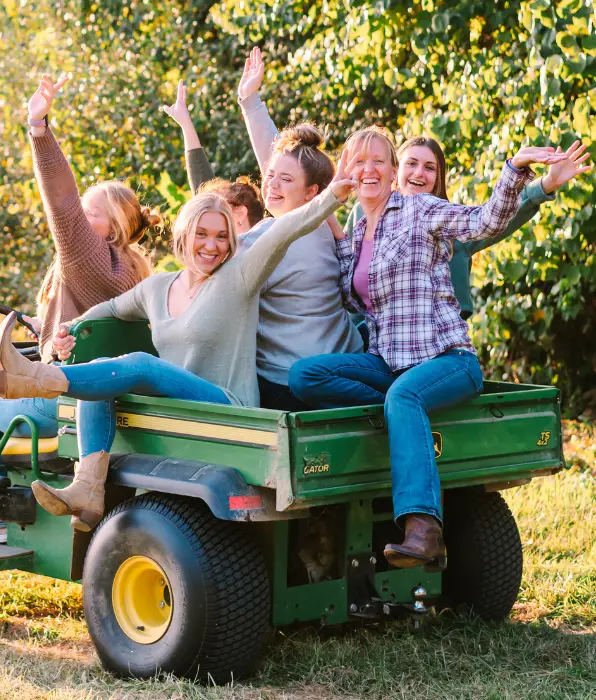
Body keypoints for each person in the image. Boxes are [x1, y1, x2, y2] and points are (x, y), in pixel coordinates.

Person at [0, 148, 361, 531]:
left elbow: (286, 229)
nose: (211, 246)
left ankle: (37, 379)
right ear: (184, 234)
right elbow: (110, 309)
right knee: (99, 376)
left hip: (225, 405)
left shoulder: (240, 276)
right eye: (202, 234)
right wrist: (67, 332)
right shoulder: (158, 288)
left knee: (142, 364)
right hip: (177, 407)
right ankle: (87, 488)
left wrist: (333, 196)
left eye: (221, 237)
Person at [289, 126, 571, 569]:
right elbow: (349, 298)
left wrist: (515, 169)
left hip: (447, 359)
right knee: (305, 375)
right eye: (358, 161)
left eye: (378, 160)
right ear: (346, 170)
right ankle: (400, 420)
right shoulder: (359, 229)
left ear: (392, 170)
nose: (369, 169)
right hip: (389, 363)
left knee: (404, 396)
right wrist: (323, 206)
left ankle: (423, 530)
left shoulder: (420, 210)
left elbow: (485, 222)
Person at [0, 74, 159, 543]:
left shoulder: (90, 258)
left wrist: (39, 127)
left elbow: (60, 202)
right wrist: (44, 328)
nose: (79, 222)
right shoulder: (131, 268)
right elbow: (94, 321)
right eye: (83, 213)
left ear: (114, 227)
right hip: (92, 390)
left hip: (60, 404)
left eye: (92, 215)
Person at [164, 48, 362, 410]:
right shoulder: (318, 223)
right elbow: (272, 162)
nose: (270, 184)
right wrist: (250, 102)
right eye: (269, 176)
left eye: (285, 180)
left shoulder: (268, 238)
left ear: (312, 193)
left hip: (295, 383)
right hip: (342, 365)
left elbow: (213, 244)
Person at [345, 135, 590, 324]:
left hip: (439, 342)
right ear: (395, 171)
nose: (419, 173)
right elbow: (341, 270)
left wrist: (547, 183)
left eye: (429, 167)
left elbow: (499, 214)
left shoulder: (452, 225)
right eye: (411, 163)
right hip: (373, 338)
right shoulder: (363, 213)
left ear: (438, 178)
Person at [163, 78, 265, 233]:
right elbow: (201, 182)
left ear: (239, 214)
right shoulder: (220, 250)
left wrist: (250, 102)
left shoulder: (265, 246)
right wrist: (186, 125)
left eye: (211, 207)